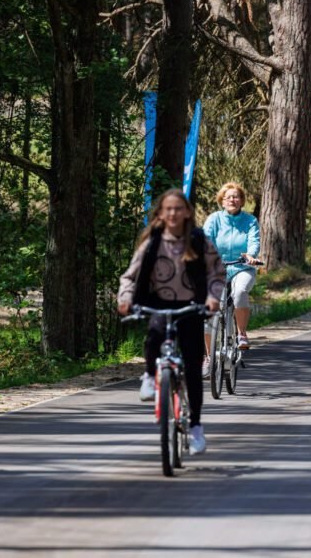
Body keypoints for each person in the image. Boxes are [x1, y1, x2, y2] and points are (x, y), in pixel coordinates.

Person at [118, 189, 226, 455]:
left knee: (192, 368)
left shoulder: (199, 241)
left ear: (187, 212)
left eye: (179, 208)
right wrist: (125, 298)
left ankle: (196, 427)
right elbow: (130, 277)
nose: (174, 213)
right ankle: (148, 375)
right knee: (154, 334)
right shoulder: (152, 243)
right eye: (169, 209)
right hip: (158, 303)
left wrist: (213, 298)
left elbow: (216, 273)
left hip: (191, 306)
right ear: (161, 213)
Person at [203, 182, 261, 364]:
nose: (232, 200)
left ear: (242, 201)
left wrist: (251, 255)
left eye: (236, 197)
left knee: (239, 292)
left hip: (242, 267)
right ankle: (209, 357)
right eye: (229, 197)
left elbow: (254, 240)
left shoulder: (250, 221)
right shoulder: (214, 219)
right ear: (222, 201)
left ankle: (242, 334)